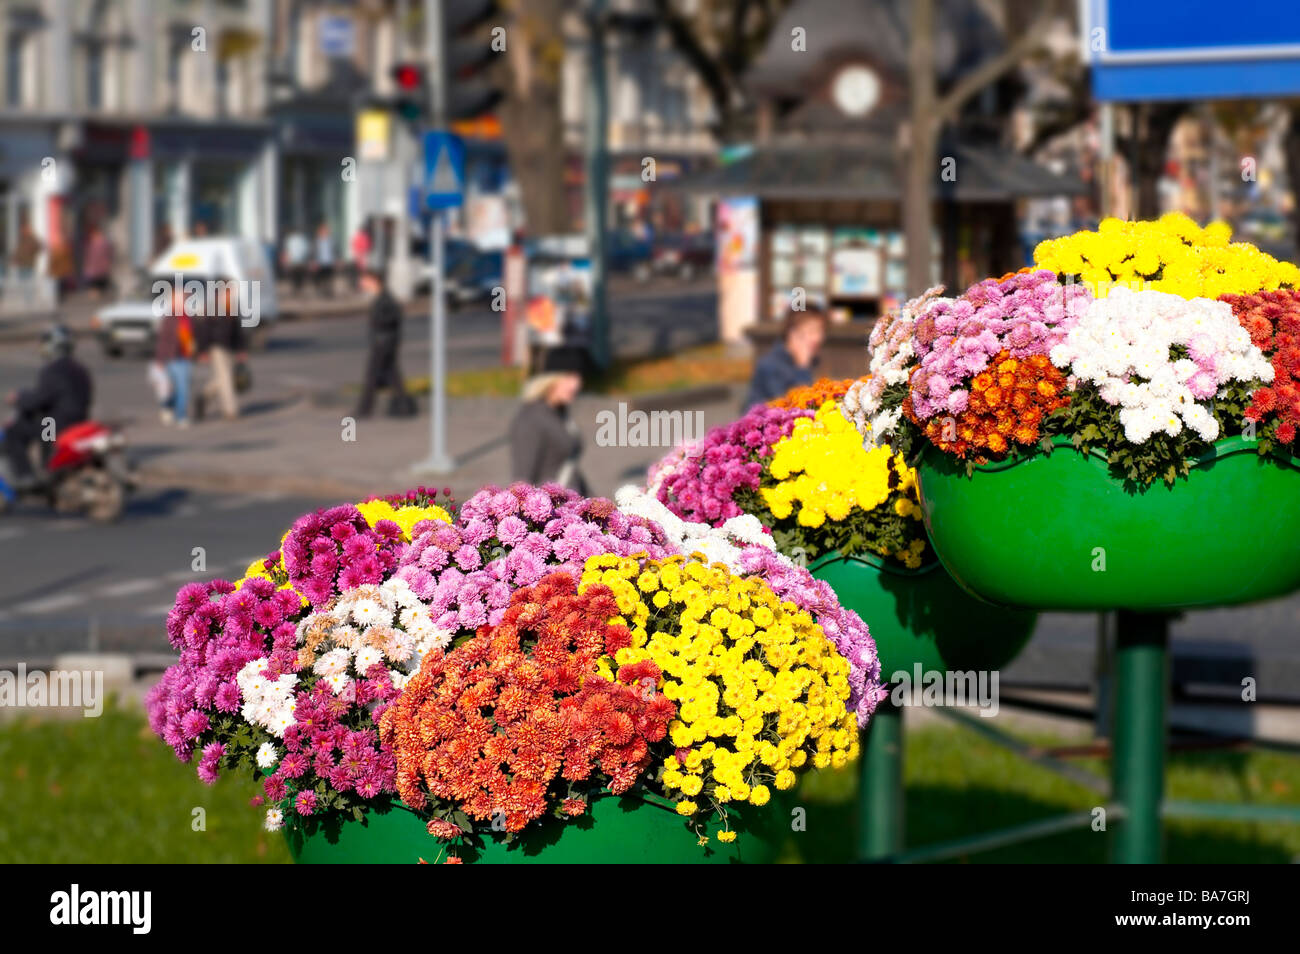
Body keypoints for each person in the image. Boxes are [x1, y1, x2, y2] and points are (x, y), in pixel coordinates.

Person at [3, 325, 92, 489]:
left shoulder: (52, 370)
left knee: (15, 432)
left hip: (56, 423)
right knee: (44, 429)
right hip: (78, 420)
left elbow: (38, 400)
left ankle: (26, 476)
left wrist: (19, 398)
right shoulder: (80, 369)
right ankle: (47, 469)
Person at [509, 345, 590, 494]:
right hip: (550, 510)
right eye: (568, 377)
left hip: (571, 505)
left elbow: (569, 467)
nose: (575, 385)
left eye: (578, 377)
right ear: (550, 379)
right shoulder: (531, 419)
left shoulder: (558, 412)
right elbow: (522, 479)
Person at [743, 307, 828, 408]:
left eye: (820, 331)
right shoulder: (771, 366)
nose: (819, 338)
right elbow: (794, 407)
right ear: (793, 335)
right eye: (812, 331)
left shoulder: (812, 361)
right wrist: (802, 368)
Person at [354, 267, 410, 418]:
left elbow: (394, 317)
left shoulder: (385, 298)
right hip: (384, 341)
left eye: (365, 280)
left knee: (371, 376)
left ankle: (364, 410)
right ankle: (405, 407)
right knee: (393, 375)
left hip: (383, 342)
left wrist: (379, 324)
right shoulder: (382, 297)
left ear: (374, 281)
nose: (363, 283)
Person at [196, 291, 247, 420]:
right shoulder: (212, 310)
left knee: (222, 379)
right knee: (226, 378)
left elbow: (238, 332)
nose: (229, 296)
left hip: (229, 349)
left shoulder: (232, 310)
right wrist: (203, 351)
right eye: (227, 293)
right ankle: (230, 410)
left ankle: (204, 396)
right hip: (216, 348)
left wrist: (241, 349)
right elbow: (204, 331)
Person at [155, 288, 197, 427]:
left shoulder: (188, 316)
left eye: (185, 298)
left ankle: (174, 410)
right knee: (177, 389)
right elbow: (163, 340)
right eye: (180, 298)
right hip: (173, 358)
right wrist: (160, 359)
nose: (183, 300)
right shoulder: (169, 318)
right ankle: (176, 412)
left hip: (186, 357)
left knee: (182, 388)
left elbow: (193, 336)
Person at [82, 225, 113, 299]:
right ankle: (96, 293)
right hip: (97, 264)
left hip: (97, 264)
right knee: (96, 279)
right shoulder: (96, 241)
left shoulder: (98, 242)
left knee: (97, 279)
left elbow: (106, 252)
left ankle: (96, 293)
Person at [283, 228, 310, 294]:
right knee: (296, 276)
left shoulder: (293, 240)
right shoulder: (296, 240)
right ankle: (297, 289)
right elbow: (288, 251)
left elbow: (287, 251)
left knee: (297, 276)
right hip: (297, 261)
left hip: (297, 261)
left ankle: (297, 289)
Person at [313, 223, 334, 296]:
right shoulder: (317, 241)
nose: (325, 232)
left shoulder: (331, 240)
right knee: (320, 278)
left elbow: (335, 251)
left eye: (326, 231)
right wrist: (314, 262)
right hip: (320, 262)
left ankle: (328, 292)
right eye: (323, 231)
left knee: (328, 278)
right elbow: (314, 252)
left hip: (329, 262)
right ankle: (320, 291)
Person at [349, 224, 372, 291]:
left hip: (361, 256)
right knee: (361, 272)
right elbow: (365, 246)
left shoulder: (361, 237)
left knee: (361, 272)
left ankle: (361, 285)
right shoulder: (362, 237)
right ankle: (360, 285)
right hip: (361, 256)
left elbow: (366, 246)